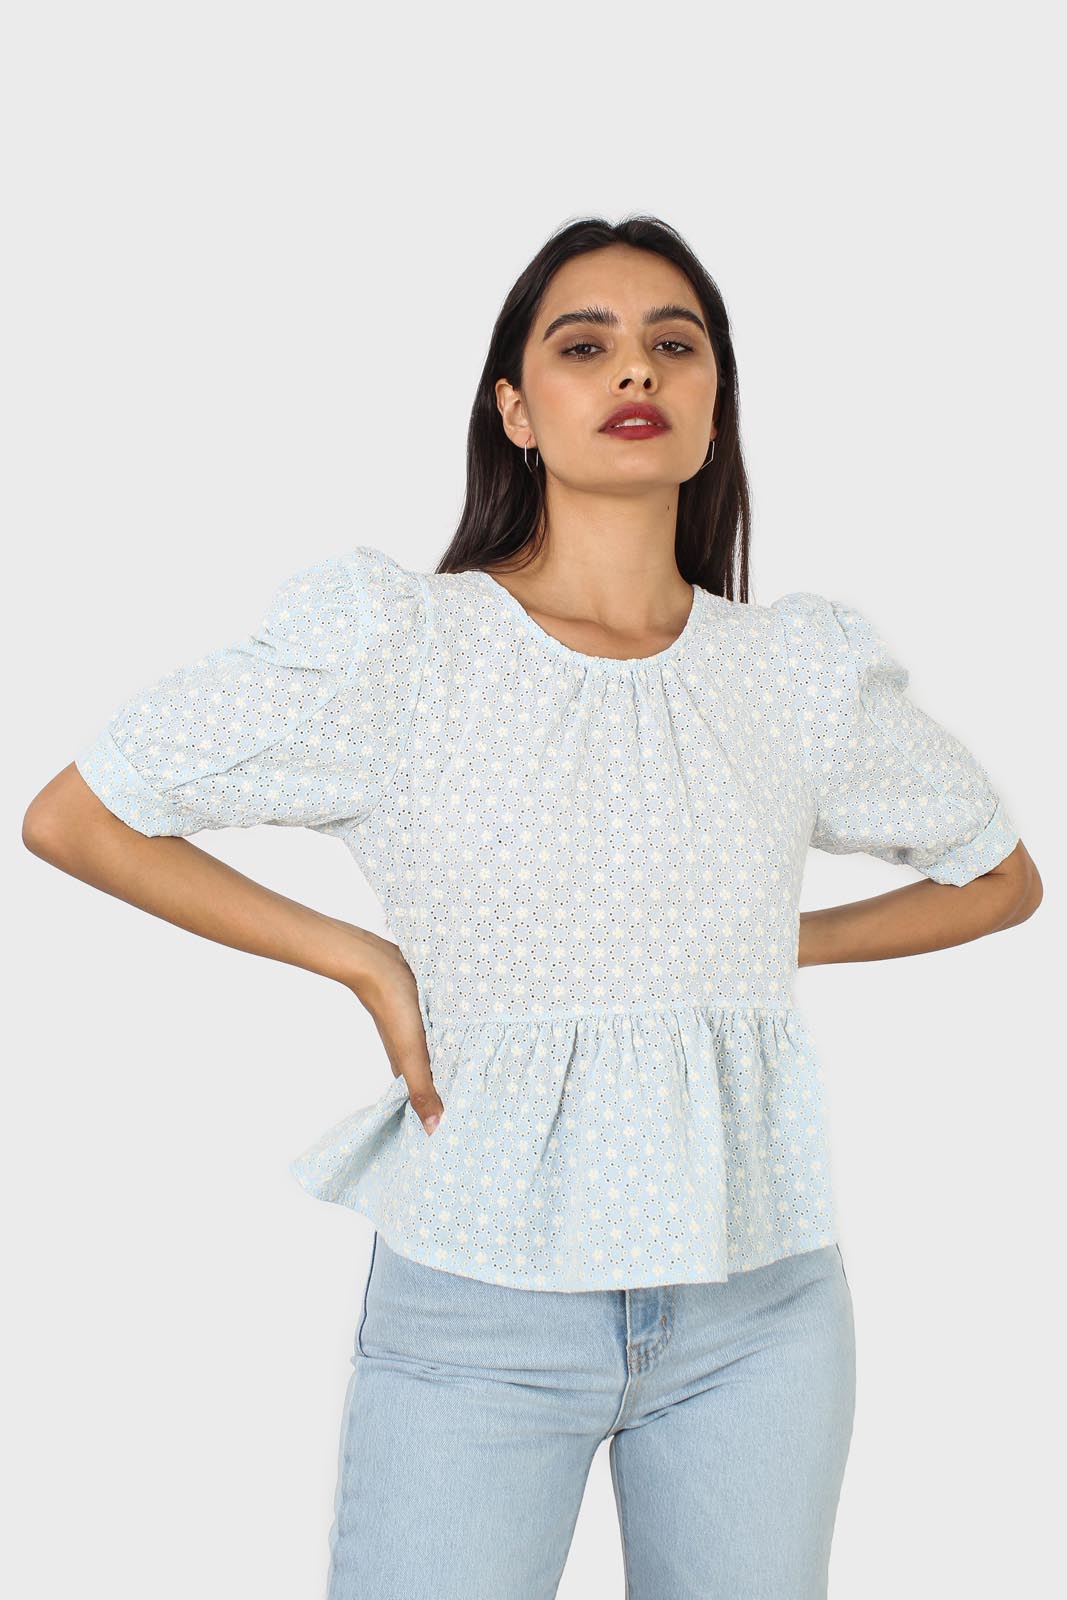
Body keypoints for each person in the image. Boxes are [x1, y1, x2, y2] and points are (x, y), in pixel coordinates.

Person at [24, 215, 1042, 1599]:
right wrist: (361, 959)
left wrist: (767, 939)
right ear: (516, 409)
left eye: (675, 343)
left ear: (715, 405)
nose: (638, 369)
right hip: (480, 1307)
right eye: (585, 344)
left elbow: (998, 878)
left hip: (762, 1311)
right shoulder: (408, 649)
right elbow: (80, 816)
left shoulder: (791, 672)